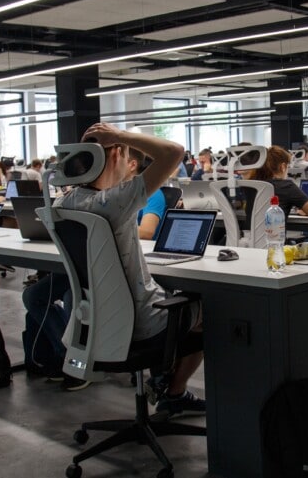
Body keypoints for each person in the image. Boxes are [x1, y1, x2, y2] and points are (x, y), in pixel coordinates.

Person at [57, 123, 204, 415]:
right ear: (115, 156)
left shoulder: (65, 202)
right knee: (211, 307)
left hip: (98, 323)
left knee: (168, 299)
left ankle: (162, 377)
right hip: (142, 324)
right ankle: (174, 391)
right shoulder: (114, 201)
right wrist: (120, 136)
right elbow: (174, 152)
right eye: (124, 154)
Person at [250, 146, 308, 221]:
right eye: (288, 166)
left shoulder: (251, 185)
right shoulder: (286, 186)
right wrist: (307, 210)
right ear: (283, 167)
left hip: (249, 233)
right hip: (275, 233)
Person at [129, 148, 168, 240]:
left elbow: (146, 232)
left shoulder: (153, 194)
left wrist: (109, 229)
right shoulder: (121, 191)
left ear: (132, 165)